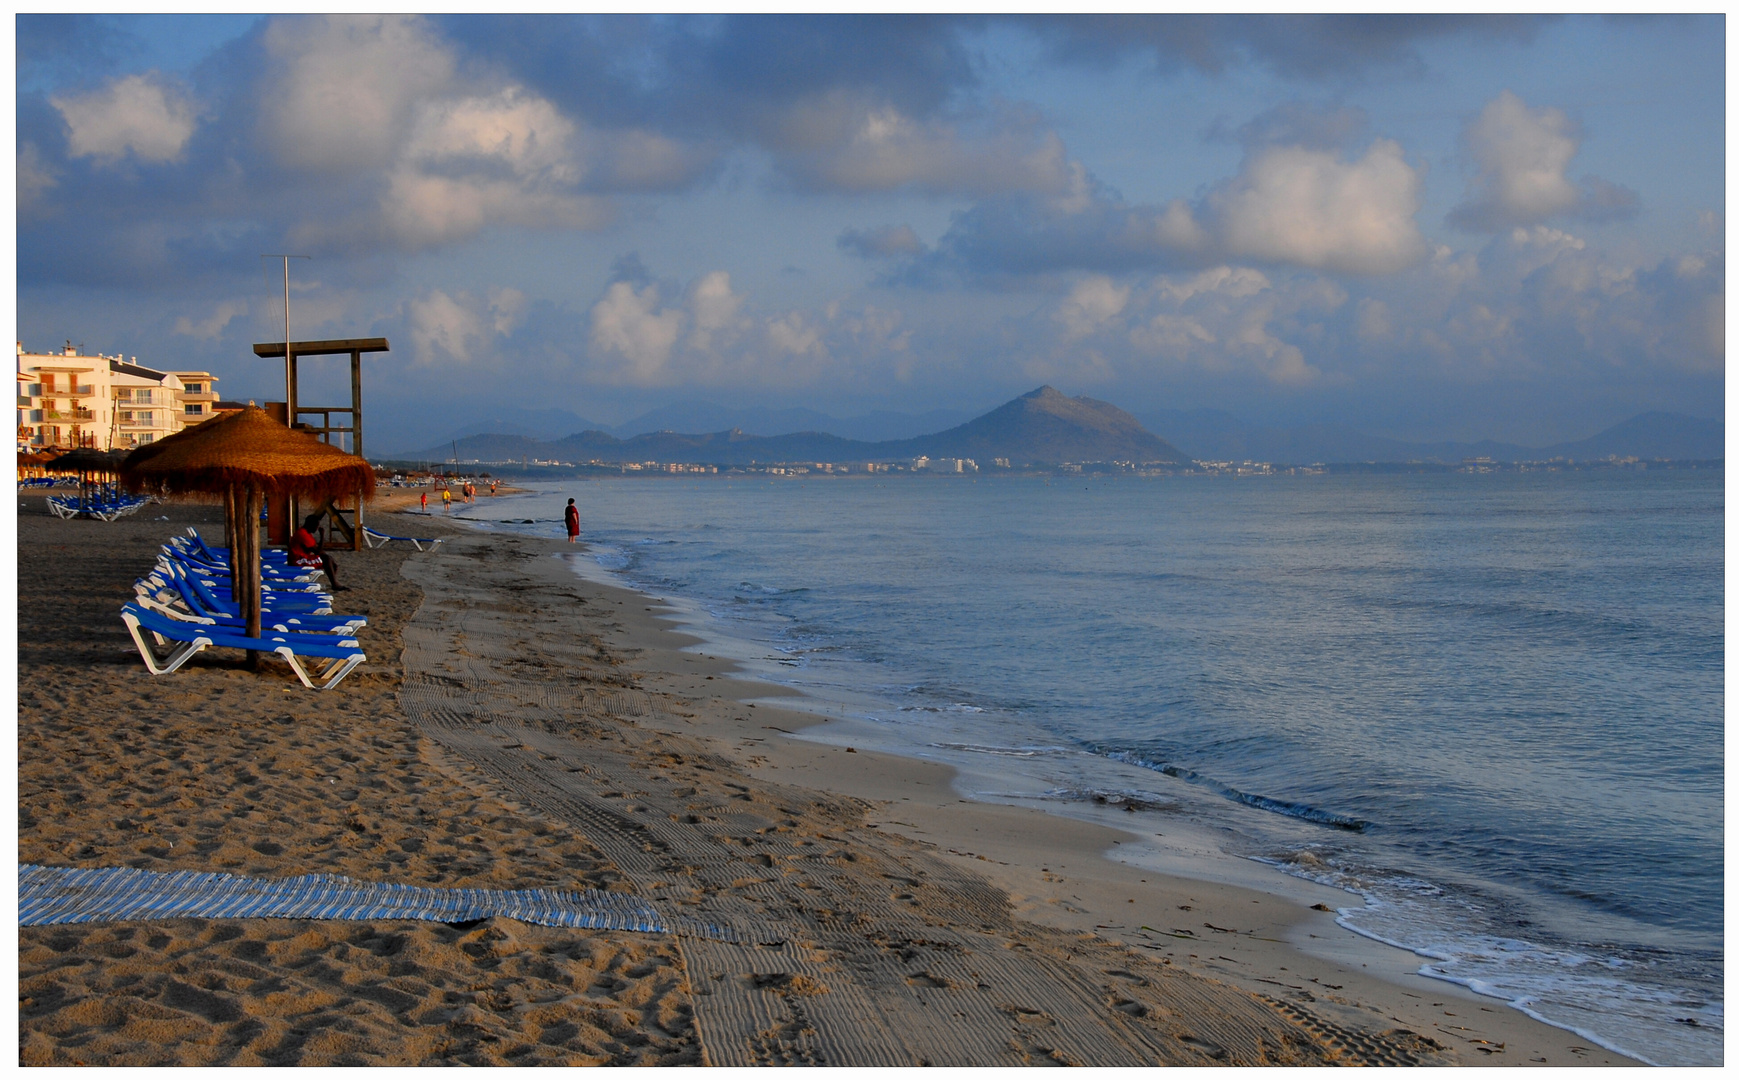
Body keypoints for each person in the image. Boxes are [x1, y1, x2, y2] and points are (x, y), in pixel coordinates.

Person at [290, 513, 347, 592]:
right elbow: (318, 551)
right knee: (326, 559)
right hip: (297, 561)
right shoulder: (302, 534)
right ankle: (334, 584)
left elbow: (318, 550)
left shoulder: (306, 533)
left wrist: (330, 558)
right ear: (311, 525)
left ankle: (334, 582)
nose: (317, 528)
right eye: (316, 526)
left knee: (327, 558)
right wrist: (322, 536)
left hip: (301, 558)